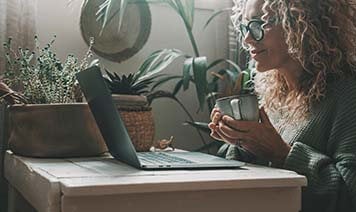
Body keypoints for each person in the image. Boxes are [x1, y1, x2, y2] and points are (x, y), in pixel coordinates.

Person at [208, 0, 356, 211]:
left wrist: (282, 154)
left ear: (299, 23)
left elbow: (350, 196)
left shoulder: (348, 94)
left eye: (260, 23)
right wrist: (239, 141)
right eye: (246, 26)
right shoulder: (273, 90)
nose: (248, 38)